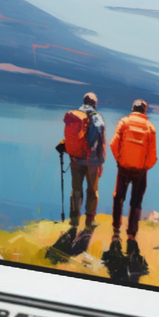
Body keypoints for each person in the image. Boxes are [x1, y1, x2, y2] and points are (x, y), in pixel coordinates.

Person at [56, 91, 106, 229]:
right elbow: (99, 141)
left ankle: (74, 221)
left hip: (75, 159)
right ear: (94, 104)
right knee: (92, 191)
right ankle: (89, 222)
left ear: (84, 102)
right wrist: (100, 161)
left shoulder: (75, 115)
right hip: (92, 162)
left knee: (76, 190)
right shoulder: (97, 118)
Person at [110, 100, 157, 242]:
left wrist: (119, 159)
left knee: (119, 197)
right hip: (140, 172)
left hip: (123, 168)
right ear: (145, 111)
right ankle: (131, 234)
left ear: (132, 109)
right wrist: (145, 167)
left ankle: (116, 230)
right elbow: (152, 155)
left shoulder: (124, 122)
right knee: (136, 201)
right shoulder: (150, 128)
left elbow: (113, 144)